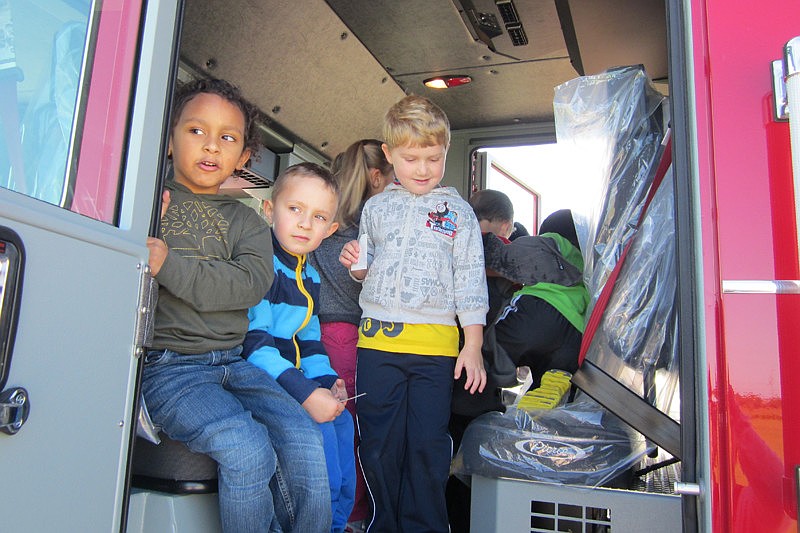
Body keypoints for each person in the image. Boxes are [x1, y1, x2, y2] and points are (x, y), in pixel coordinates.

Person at [143, 78, 330, 533]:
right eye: (195, 131)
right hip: (170, 367)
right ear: (168, 140)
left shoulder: (246, 219)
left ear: (244, 156)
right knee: (246, 448)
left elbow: (246, 287)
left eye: (227, 137)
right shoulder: (145, 203)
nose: (211, 146)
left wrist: (168, 265)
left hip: (235, 362)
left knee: (305, 438)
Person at [339, 94, 489, 533]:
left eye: (433, 158)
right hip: (378, 344)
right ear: (389, 156)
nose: (422, 169)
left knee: (426, 444)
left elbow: (470, 278)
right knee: (379, 443)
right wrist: (357, 265)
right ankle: (384, 524)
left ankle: (426, 527)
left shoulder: (457, 213)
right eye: (411, 158)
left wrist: (473, 344)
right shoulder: (376, 207)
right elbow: (369, 270)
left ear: (446, 153)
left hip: (434, 350)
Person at [243, 162, 356, 533]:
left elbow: (309, 337)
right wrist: (307, 395)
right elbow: (255, 347)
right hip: (262, 379)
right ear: (268, 209)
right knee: (319, 428)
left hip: (295, 380)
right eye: (295, 210)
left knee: (343, 423)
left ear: (331, 230)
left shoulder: (309, 273)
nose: (306, 223)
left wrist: (326, 380)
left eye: (319, 216)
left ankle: (336, 525)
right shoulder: (261, 264)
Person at [308, 138, 393, 533]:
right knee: (352, 433)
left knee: (325, 431)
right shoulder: (365, 238)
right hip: (349, 337)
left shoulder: (319, 226)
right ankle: (351, 520)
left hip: (313, 336)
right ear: (377, 178)